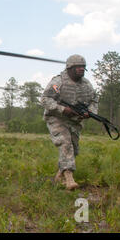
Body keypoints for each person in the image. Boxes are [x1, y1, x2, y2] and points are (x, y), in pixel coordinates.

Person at [40, 54, 98, 190]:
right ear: (70, 68)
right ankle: (69, 179)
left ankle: (59, 177)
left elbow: (94, 100)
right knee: (66, 143)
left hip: (74, 121)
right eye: (78, 67)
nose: (81, 69)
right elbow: (45, 99)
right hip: (56, 118)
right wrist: (62, 109)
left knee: (74, 149)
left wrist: (89, 112)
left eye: (83, 67)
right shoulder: (58, 82)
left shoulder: (86, 85)